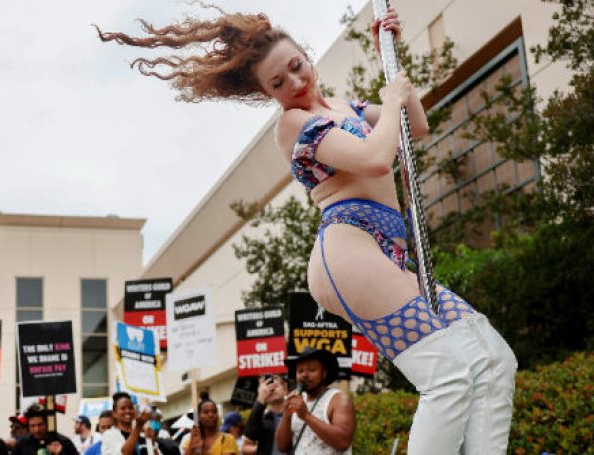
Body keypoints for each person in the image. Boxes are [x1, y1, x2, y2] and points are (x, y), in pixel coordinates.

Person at [96, 5, 518, 453]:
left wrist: (387, 57)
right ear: (265, 92)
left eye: (297, 66)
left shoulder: (343, 106)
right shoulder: (293, 125)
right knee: (448, 378)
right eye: (278, 83)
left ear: (305, 53)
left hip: (388, 251)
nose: (296, 83)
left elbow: (415, 125)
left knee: (494, 362)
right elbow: (378, 157)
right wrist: (392, 96)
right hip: (349, 250)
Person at [275, 348, 354, 455]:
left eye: (311, 370)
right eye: (300, 371)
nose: (304, 375)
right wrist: (287, 416)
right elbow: (282, 447)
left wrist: (306, 416)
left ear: (324, 373)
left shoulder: (338, 400)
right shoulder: (297, 399)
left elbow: (343, 442)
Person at [242, 375, 286, 455]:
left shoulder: (295, 413)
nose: (272, 389)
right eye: (267, 387)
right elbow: (248, 439)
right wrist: (260, 399)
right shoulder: (261, 418)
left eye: (275, 386)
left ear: (285, 388)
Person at [11, 404, 77, 455]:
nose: (37, 429)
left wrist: (60, 453)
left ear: (46, 423)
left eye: (40, 425)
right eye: (32, 426)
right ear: (28, 426)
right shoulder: (21, 444)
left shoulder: (64, 442)